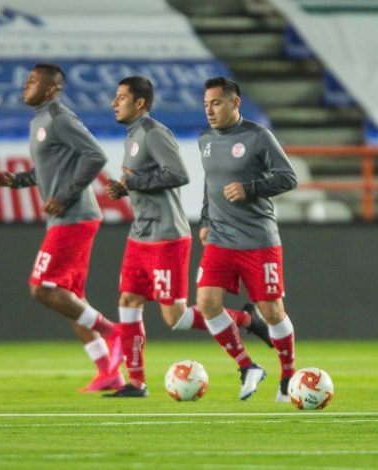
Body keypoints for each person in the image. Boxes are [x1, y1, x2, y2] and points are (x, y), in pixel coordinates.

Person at [103, 76, 272, 398]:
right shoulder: (132, 136)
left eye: (121, 97)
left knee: (175, 317)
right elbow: (143, 181)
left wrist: (134, 184)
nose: (114, 103)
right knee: (128, 300)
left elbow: (179, 174)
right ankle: (137, 383)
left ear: (140, 103)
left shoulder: (154, 133)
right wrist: (127, 187)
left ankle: (246, 319)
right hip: (140, 233)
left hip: (166, 236)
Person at [0, 63, 124, 393]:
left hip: (75, 216)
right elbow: (50, 168)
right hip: (67, 216)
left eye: (34, 81)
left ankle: (115, 332)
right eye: (26, 81)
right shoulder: (39, 120)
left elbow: (94, 156)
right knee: (71, 298)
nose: (26, 86)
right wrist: (20, 180)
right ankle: (108, 372)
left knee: (42, 288)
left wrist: (65, 196)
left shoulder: (59, 117)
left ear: (52, 90)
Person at [197, 77, 298, 402]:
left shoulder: (257, 137)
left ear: (234, 103)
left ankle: (287, 375)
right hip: (220, 239)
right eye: (206, 105)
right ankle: (247, 366)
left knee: (272, 312)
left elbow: (288, 177)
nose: (210, 111)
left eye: (216, 103)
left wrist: (250, 188)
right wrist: (205, 219)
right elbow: (210, 183)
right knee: (207, 304)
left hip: (258, 240)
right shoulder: (205, 140)